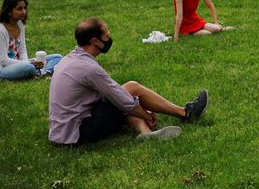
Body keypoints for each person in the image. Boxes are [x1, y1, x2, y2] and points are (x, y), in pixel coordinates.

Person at [48, 18, 210, 145]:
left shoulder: (71, 58)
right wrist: (145, 114)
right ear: (95, 41)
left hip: (61, 133)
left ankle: (145, 133)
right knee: (131, 89)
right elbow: (124, 102)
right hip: (78, 133)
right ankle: (186, 113)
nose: (109, 38)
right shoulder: (89, 68)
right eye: (107, 36)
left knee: (123, 95)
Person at [0, 0, 63, 80]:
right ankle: (41, 72)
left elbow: (22, 50)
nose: (24, 11)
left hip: (20, 63)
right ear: (9, 11)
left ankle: (42, 73)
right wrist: (28, 64)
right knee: (29, 68)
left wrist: (27, 63)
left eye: (24, 8)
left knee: (57, 57)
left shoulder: (20, 24)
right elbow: (3, 60)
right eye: (19, 9)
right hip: (1, 69)